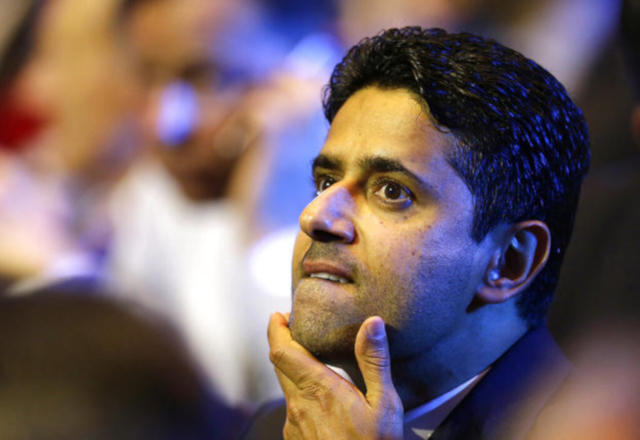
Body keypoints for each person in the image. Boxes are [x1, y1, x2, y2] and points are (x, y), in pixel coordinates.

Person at [242, 26, 590, 440]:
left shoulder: (598, 428)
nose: (316, 216)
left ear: (508, 261)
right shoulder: (279, 429)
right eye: (326, 182)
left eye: (392, 191)